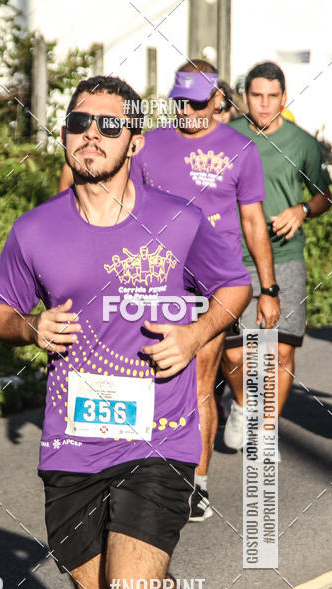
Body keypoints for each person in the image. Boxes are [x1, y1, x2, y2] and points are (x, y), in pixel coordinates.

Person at [0, 75, 251, 589]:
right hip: (73, 439)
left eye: (108, 125)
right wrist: (30, 326)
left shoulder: (177, 218)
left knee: (133, 588)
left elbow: (233, 286)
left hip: (157, 430)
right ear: (65, 135)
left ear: (135, 138)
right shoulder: (35, 229)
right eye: (78, 123)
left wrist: (195, 338)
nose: (91, 135)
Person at [57, 61, 275, 521]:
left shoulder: (240, 149)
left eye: (197, 102)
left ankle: (195, 482)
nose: (188, 110)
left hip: (211, 281)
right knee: (139, 375)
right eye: (180, 101)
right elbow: (91, 187)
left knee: (198, 379)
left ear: (218, 100)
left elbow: (253, 220)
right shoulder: (145, 141)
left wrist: (267, 286)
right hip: (149, 276)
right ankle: (128, 465)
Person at [223, 61, 332, 450]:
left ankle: (265, 430)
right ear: (245, 97)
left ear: (283, 98)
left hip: (284, 256)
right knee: (233, 354)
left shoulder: (304, 144)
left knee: (282, 348)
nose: (265, 104)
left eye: (272, 97)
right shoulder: (225, 137)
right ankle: (240, 402)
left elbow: (325, 196)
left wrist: (301, 210)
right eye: (257, 96)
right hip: (231, 258)